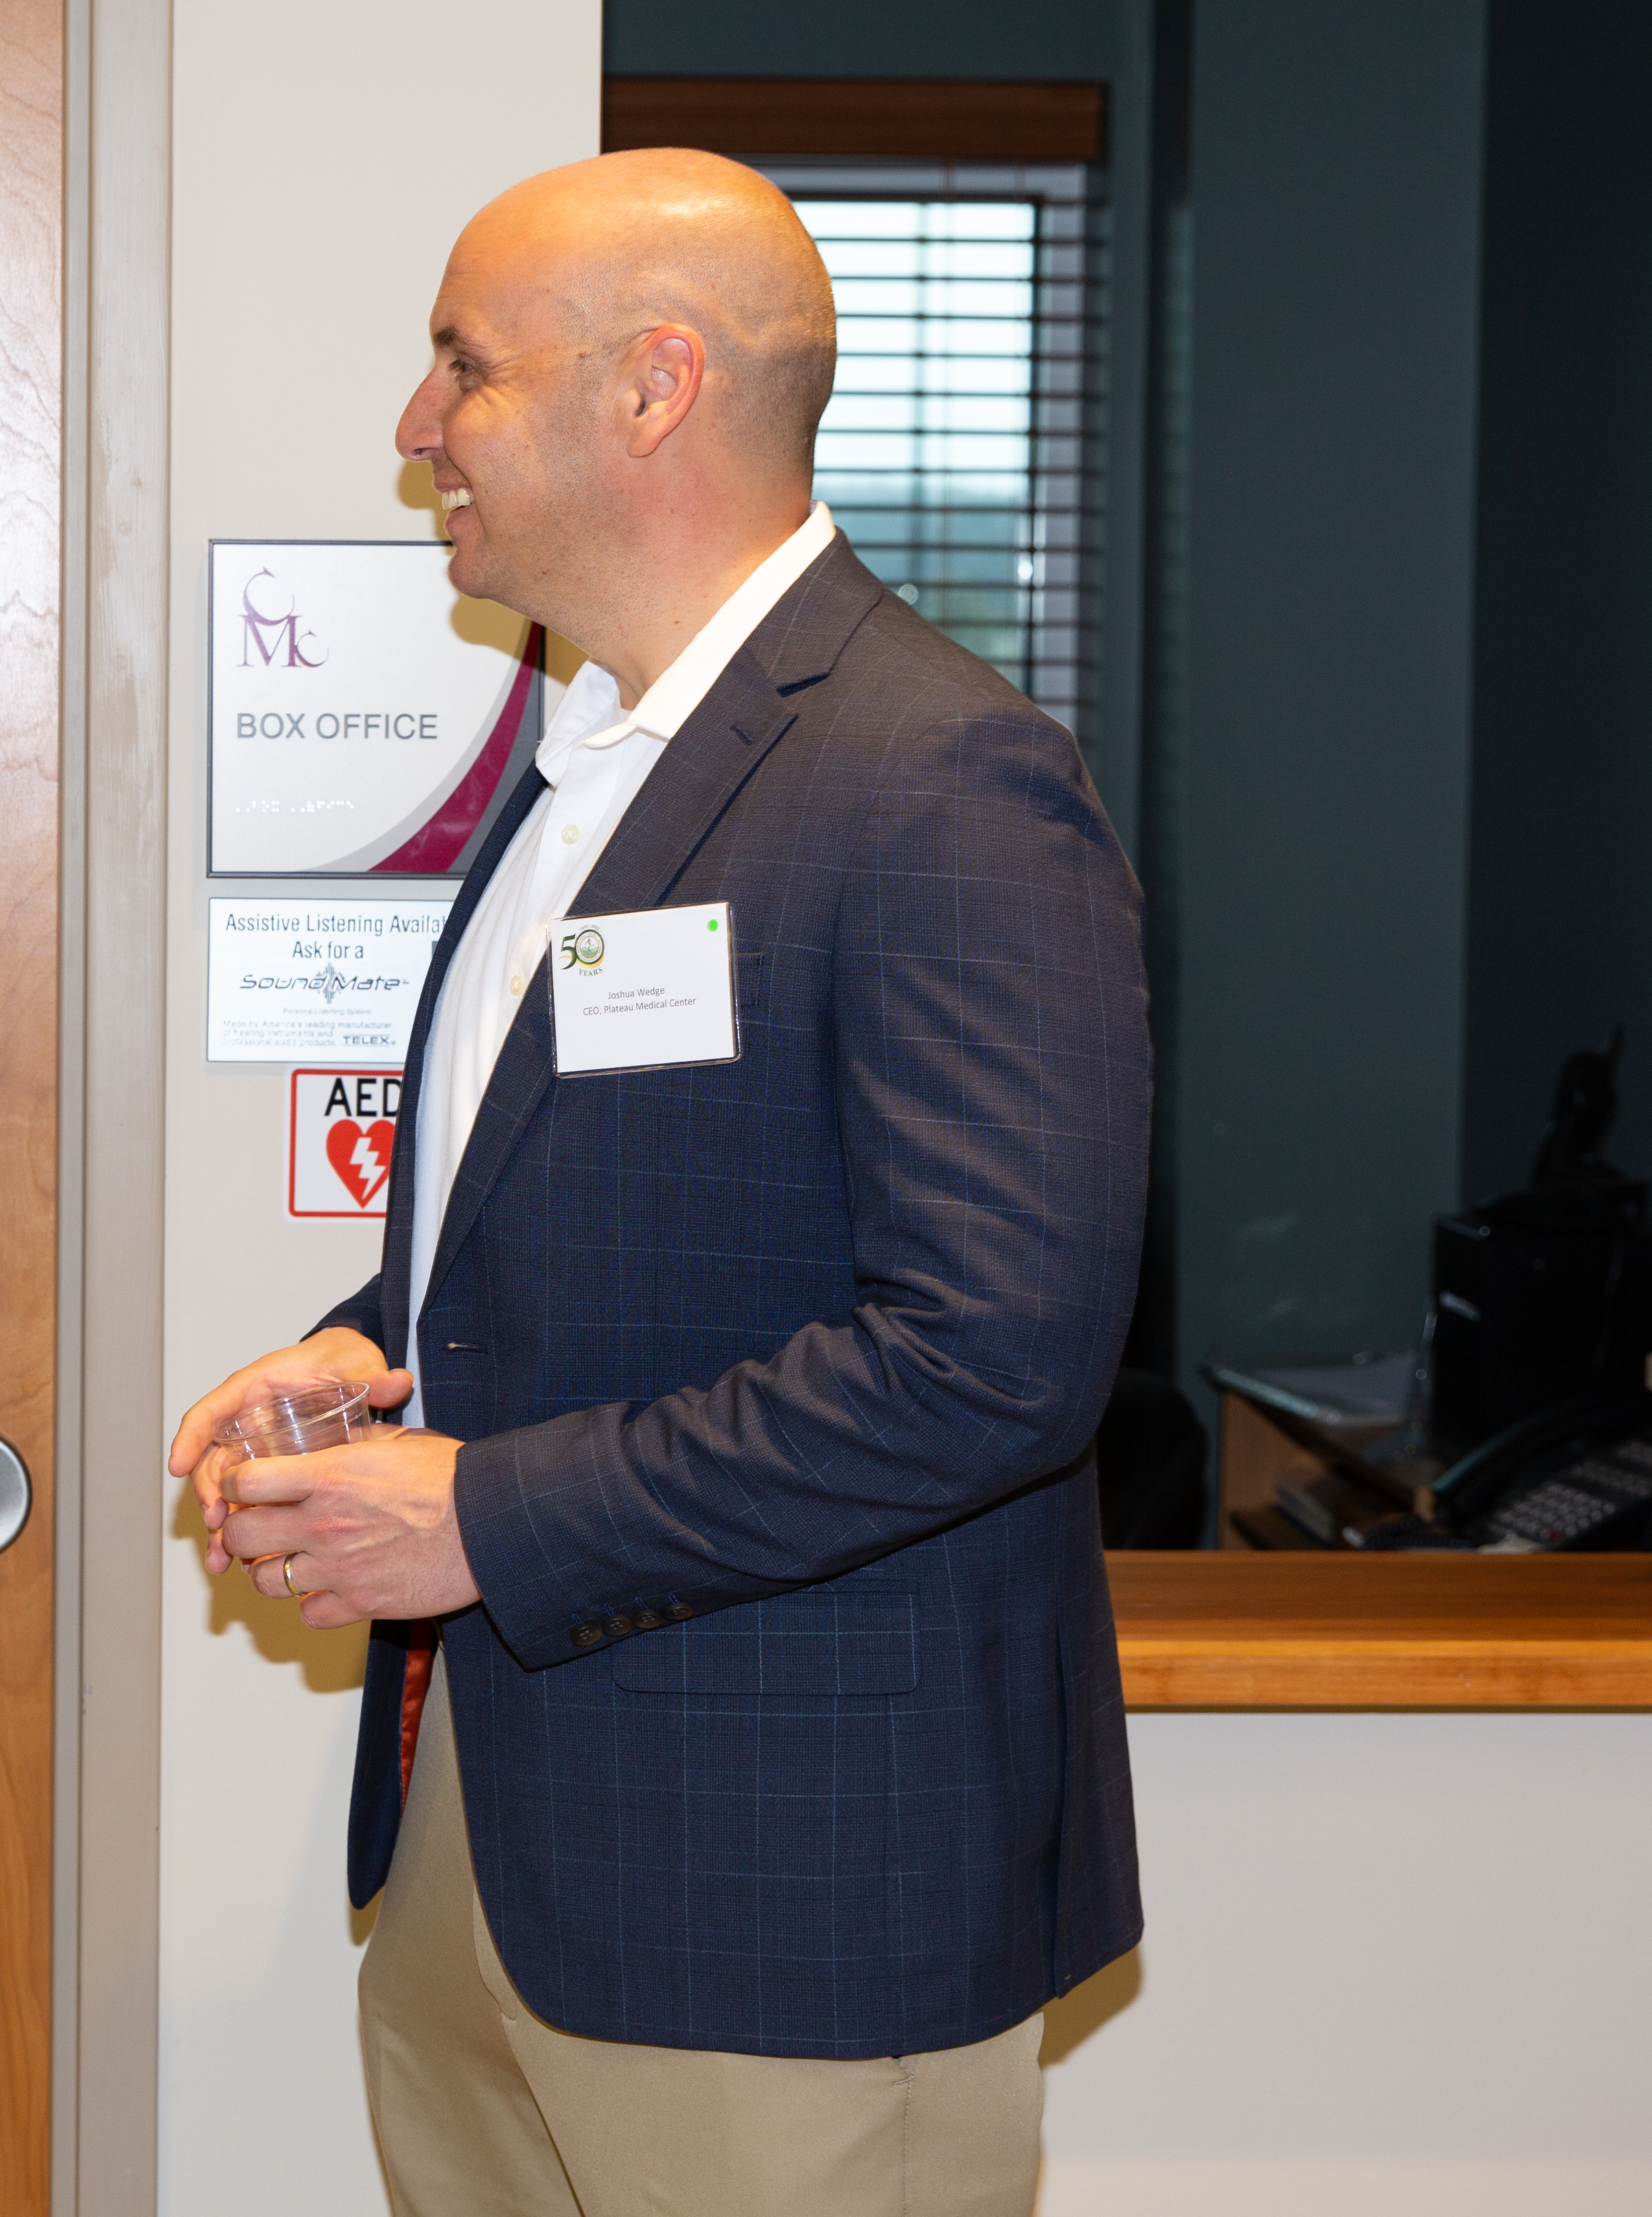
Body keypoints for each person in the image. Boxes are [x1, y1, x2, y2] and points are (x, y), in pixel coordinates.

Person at [173, 150, 1150, 2216]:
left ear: (654, 388)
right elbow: (573, 1231)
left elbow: (995, 1362)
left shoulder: (938, 778)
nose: (416, 429)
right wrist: (365, 1364)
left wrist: (484, 1513)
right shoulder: (583, 765)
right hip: (486, 1854)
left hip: (790, 1912)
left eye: (463, 368)